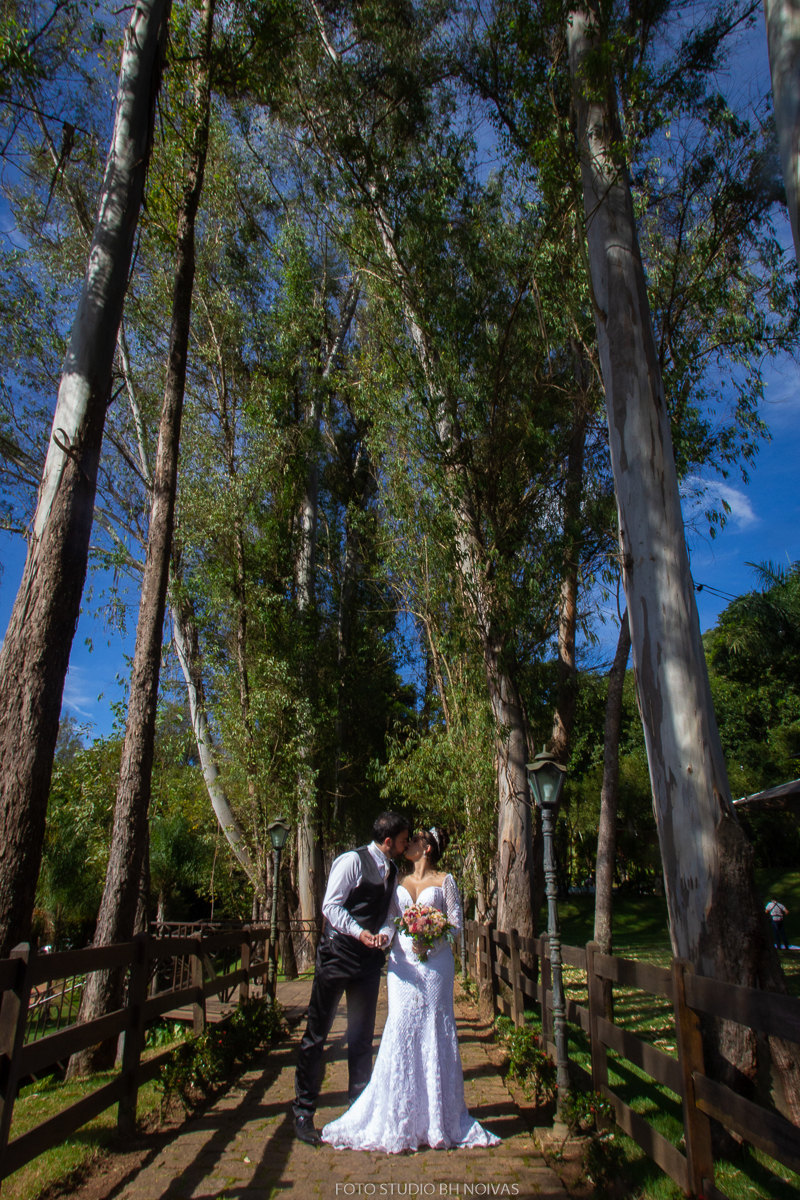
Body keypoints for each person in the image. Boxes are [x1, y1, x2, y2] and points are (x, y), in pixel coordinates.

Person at [321, 825, 499, 1154]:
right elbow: (391, 918)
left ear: (427, 848)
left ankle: (436, 1118)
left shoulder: (446, 881)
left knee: (434, 1028)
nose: (410, 843)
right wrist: (385, 939)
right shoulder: (399, 880)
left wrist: (431, 940)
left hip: (436, 966)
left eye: (415, 840)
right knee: (401, 1027)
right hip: (402, 965)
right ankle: (401, 1115)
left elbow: (456, 924)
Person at [293, 811, 411, 1146]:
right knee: (318, 1034)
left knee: (361, 1038)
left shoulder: (393, 869)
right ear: (388, 841)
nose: (405, 847)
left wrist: (386, 934)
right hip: (337, 956)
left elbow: (391, 913)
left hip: (369, 962)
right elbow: (331, 907)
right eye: (403, 841)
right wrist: (360, 933)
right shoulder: (351, 861)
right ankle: (303, 1111)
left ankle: (358, 1111)